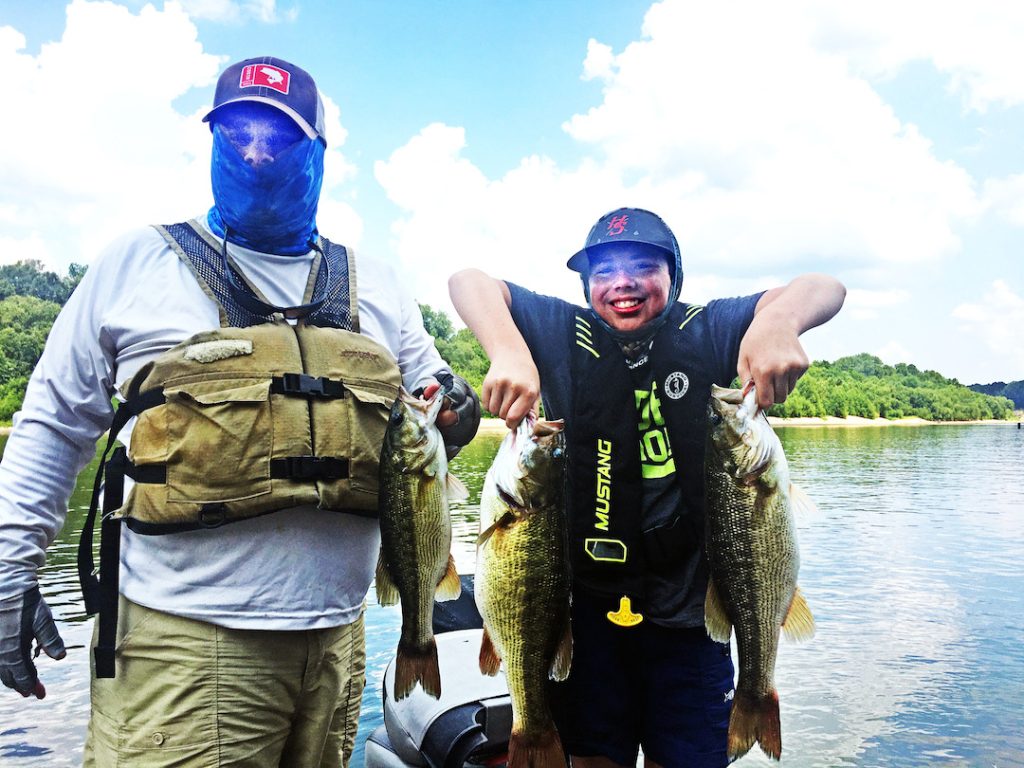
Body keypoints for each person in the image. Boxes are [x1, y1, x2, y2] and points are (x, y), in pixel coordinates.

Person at [0, 56, 479, 767]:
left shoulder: (377, 282)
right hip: (180, 645)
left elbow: (440, 404)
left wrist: (457, 406)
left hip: (339, 646)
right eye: (238, 133)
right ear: (215, 141)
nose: (256, 153)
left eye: (278, 137)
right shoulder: (136, 263)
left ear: (317, 152)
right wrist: (10, 574)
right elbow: (52, 423)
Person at [448, 207, 844, 768]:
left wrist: (777, 324)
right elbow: (469, 283)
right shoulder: (562, 333)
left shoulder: (705, 331)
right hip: (587, 616)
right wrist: (509, 350)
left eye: (642, 266)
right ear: (586, 286)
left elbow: (824, 287)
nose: (622, 282)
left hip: (690, 617)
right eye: (604, 271)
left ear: (673, 276)